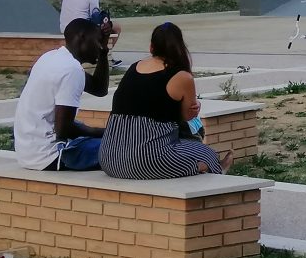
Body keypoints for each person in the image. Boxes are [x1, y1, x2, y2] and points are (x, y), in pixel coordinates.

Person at [99, 22, 232, 179]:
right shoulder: (182, 76)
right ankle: (205, 167)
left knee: (188, 148)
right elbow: (188, 117)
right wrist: (194, 108)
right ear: (180, 47)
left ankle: (202, 165)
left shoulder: (134, 68)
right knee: (208, 154)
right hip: (143, 162)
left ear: (151, 47)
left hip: (109, 159)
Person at [13, 18, 117, 171]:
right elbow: (64, 130)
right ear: (82, 38)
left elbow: (99, 89)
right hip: (51, 154)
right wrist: (104, 133)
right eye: (97, 41)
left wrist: (103, 52)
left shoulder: (50, 57)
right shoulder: (71, 70)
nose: (99, 46)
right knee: (125, 148)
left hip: (27, 152)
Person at [59, 0, 122, 66]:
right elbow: (95, 17)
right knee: (116, 27)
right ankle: (105, 56)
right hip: (80, 29)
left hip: (64, 27)